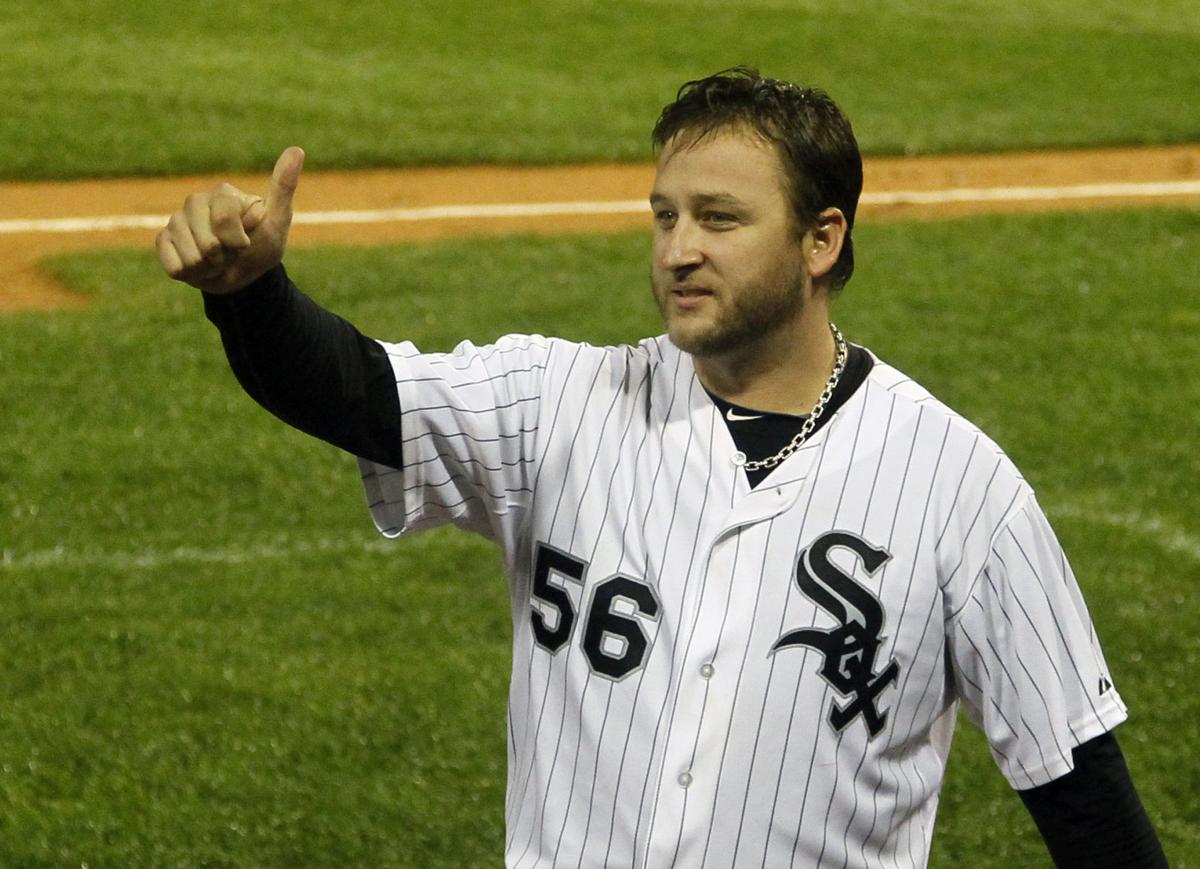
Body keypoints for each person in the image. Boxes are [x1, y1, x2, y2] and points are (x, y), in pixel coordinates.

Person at [157, 68, 1167, 868]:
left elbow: (1081, 793)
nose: (679, 249)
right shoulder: (562, 403)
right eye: (665, 215)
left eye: (720, 219)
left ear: (822, 240)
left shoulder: (960, 489)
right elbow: (354, 393)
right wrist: (251, 295)